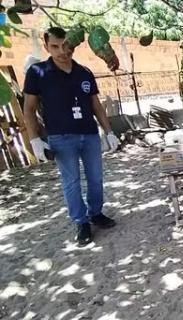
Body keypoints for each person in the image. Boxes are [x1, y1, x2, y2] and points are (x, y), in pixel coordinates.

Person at [23, 27, 119, 246]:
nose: (61, 51)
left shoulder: (84, 73)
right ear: (46, 46)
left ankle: (96, 213)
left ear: (71, 44)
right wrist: (35, 139)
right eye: (54, 46)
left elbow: (96, 105)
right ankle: (81, 221)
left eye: (65, 45)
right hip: (61, 137)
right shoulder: (38, 73)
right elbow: (29, 108)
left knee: (96, 178)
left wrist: (110, 132)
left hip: (89, 134)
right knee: (71, 181)